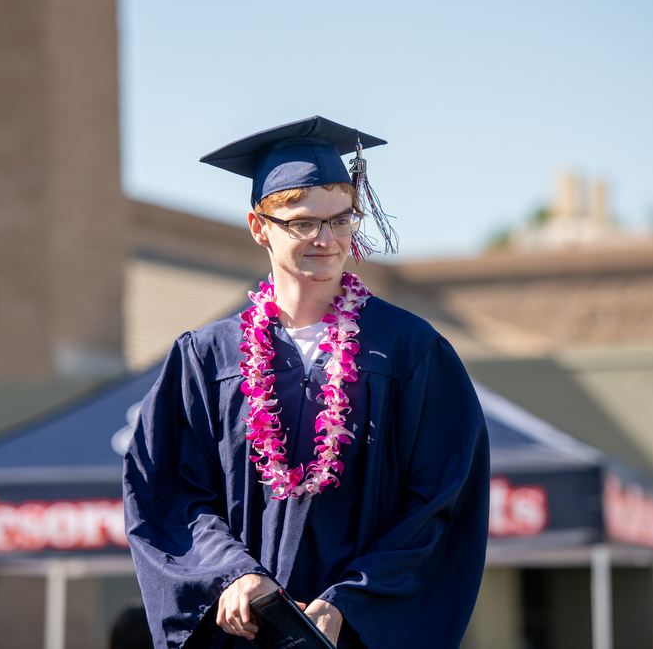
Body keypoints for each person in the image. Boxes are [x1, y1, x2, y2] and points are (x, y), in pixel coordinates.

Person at [123, 116, 490, 649]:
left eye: (341, 220)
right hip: (241, 637)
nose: (327, 239)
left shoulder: (409, 351)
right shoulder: (206, 358)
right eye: (302, 222)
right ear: (259, 226)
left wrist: (352, 601)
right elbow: (169, 493)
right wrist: (233, 574)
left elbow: (441, 505)